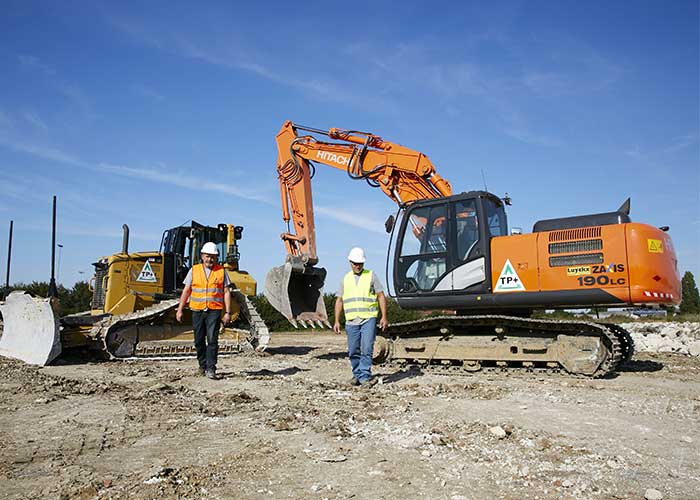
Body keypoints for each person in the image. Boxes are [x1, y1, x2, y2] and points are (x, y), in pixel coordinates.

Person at [176, 242, 232, 380]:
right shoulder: (194, 270)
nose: (210, 259)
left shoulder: (221, 271)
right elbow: (186, 291)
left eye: (213, 257)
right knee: (198, 340)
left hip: (214, 310)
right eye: (207, 256)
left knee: (212, 340)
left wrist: (228, 312)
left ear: (216, 258)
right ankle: (202, 365)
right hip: (197, 310)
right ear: (202, 256)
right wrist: (180, 309)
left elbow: (226, 292)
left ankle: (211, 368)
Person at [333, 247, 388, 387]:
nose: (358, 266)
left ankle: (364, 376)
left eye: (360, 263)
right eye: (355, 263)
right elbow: (339, 300)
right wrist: (336, 320)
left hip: (368, 318)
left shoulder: (371, 275)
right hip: (351, 321)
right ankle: (356, 374)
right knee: (353, 350)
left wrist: (384, 316)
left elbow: (381, 296)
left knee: (367, 348)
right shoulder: (345, 279)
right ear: (350, 262)